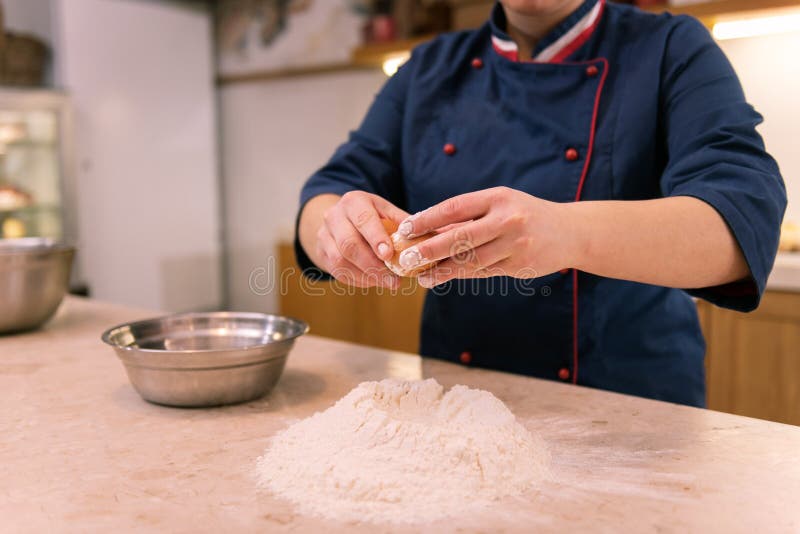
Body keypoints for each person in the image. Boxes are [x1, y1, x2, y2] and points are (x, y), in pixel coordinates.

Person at [294, 0, 787, 407]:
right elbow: (329, 192)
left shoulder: (671, 47)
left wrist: (564, 232)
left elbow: (741, 220)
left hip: (630, 413)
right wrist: (337, 227)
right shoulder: (429, 68)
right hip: (457, 410)